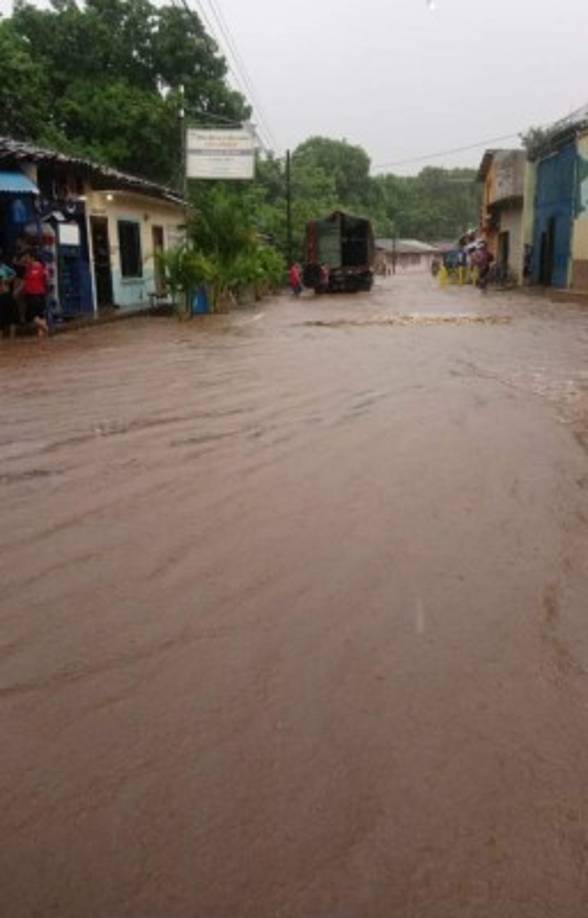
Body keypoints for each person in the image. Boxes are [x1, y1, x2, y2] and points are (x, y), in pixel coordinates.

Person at [22, 250, 49, 336]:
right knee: (39, 315)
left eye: (27, 257)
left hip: (36, 293)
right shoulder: (29, 267)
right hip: (34, 293)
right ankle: (41, 334)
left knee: (33, 316)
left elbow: (46, 279)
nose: (26, 259)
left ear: (32, 258)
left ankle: (45, 328)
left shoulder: (39, 267)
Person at [0, 250, 17, 338]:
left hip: (6, 294)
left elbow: (14, 274)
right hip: (3, 293)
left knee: (10, 315)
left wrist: (8, 280)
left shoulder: (3, 267)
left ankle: (12, 336)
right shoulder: (3, 268)